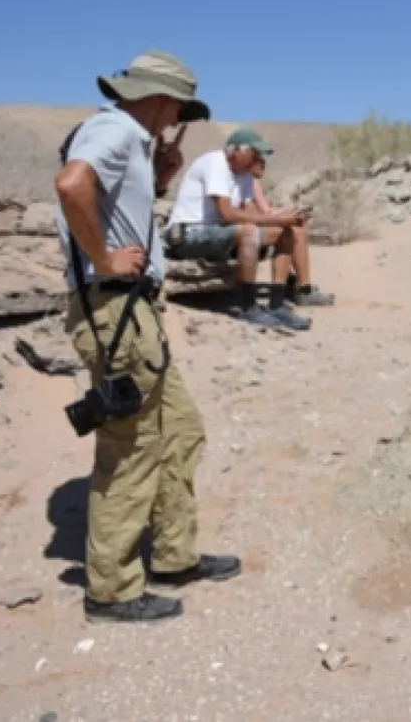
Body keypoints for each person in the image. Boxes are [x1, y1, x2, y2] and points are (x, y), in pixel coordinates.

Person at [54, 49, 241, 624]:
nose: (177, 120)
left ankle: (173, 555)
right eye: (179, 108)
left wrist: (158, 179)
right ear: (161, 98)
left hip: (133, 315)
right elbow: (72, 184)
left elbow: (112, 206)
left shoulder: (132, 140)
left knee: (180, 430)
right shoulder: (113, 128)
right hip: (116, 313)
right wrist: (106, 258)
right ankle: (110, 590)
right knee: (130, 449)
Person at [165, 128, 335, 330]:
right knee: (249, 231)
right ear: (236, 151)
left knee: (284, 231)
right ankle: (247, 306)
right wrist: (275, 217)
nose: (258, 158)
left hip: (219, 233)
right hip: (188, 234)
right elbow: (228, 214)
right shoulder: (216, 163)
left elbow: (249, 213)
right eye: (255, 153)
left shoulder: (244, 176)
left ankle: (277, 304)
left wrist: (283, 220)